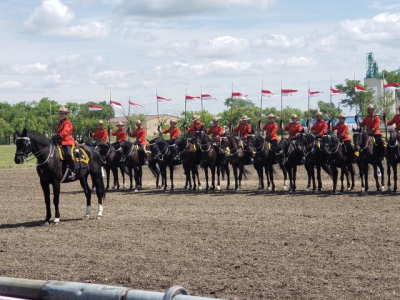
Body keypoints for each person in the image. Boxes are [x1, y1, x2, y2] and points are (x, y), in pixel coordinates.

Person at [53, 106, 75, 180]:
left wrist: (57, 136)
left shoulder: (67, 123)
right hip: (59, 141)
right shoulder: (59, 123)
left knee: (69, 154)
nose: (61, 115)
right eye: (60, 113)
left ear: (66, 114)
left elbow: (64, 132)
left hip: (67, 141)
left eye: (63, 113)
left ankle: (72, 171)